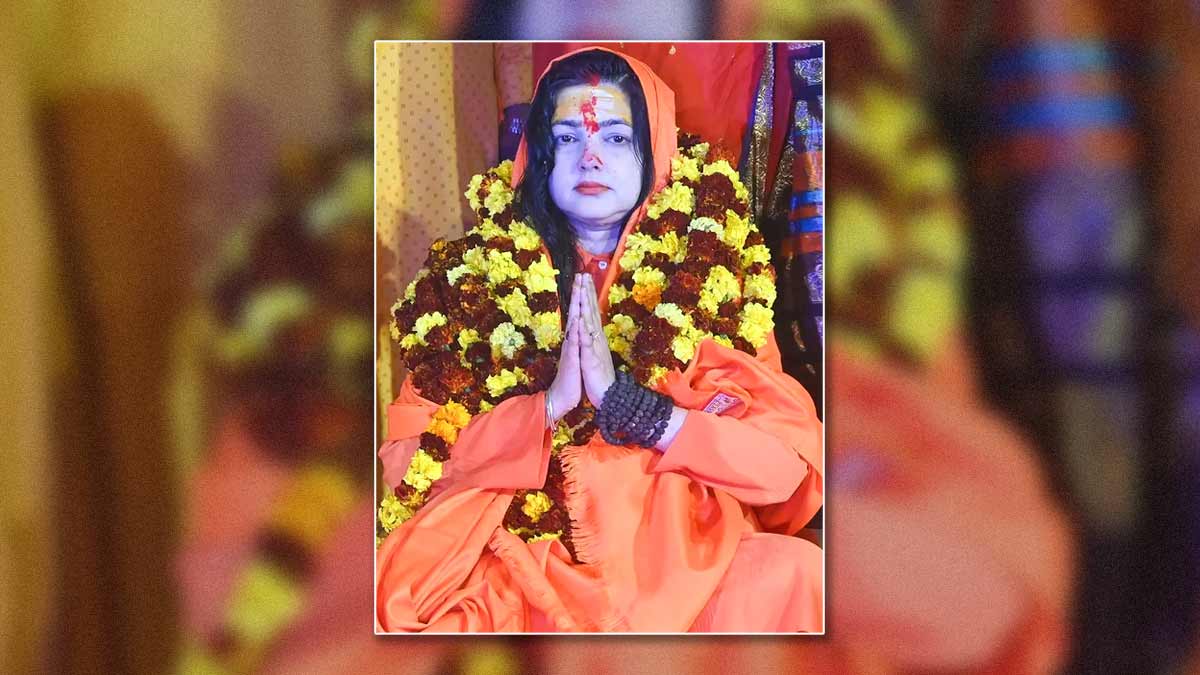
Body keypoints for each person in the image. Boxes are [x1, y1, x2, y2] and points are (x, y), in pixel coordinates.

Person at [376, 47, 823, 632]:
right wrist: (547, 408)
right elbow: (407, 465)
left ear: (654, 150)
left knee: (797, 575)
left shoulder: (716, 276)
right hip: (521, 564)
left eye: (615, 137)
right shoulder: (470, 284)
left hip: (684, 559)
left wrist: (644, 415)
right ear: (539, 155)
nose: (590, 156)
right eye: (567, 138)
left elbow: (786, 472)